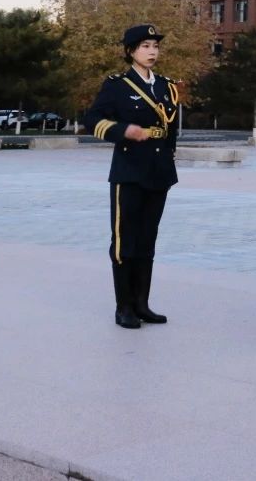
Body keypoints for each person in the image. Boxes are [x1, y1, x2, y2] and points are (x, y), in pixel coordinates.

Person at [81, 24, 181, 330]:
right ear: (131, 51)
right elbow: (92, 119)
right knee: (125, 241)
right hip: (129, 171)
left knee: (148, 239)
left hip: (159, 171)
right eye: (145, 46)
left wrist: (169, 156)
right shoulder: (118, 85)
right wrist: (123, 130)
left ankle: (141, 304)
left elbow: (170, 128)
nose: (152, 51)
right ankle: (123, 306)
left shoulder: (165, 86)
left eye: (155, 46)